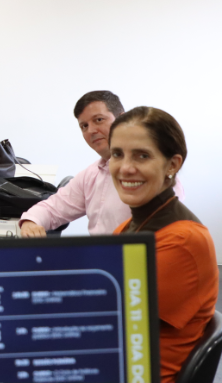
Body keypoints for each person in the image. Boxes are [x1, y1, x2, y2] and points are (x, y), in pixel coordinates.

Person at [108, 106, 216, 383]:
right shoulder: (129, 227)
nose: (125, 167)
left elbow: (105, 321)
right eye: (117, 154)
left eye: (142, 156)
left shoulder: (182, 242)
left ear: (172, 165)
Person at [20, 90, 183, 237]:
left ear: (122, 119)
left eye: (98, 120)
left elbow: (164, 232)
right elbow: (53, 207)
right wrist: (31, 221)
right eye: (84, 126)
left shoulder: (153, 174)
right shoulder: (91, 174)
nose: (91, 130)